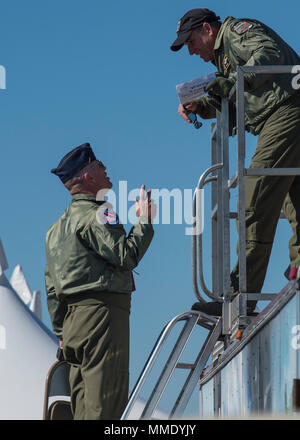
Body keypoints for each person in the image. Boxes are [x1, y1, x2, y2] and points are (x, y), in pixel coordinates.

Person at [170, 8, 300, 315]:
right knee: (294, 202)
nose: (191, 50)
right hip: (283, 113)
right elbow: (236, 94)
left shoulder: (236, 33)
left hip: (285, 111)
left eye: (191, 42)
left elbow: (267, 56)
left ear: (207, 29)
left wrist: (235, 80)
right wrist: (201, 105)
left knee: (252, 201)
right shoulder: (223, 51)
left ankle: (240, 296)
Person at [45, 142, 156, 419]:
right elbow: (126, 256)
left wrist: (61, 332)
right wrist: (144, 220)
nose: (106, 169)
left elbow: (51, 287)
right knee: (106, 403)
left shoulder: (54, 231)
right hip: (102, 318)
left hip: (73, 326)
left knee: (83, 405)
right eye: (99, 165)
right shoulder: (96, 215)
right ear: (87, 177)